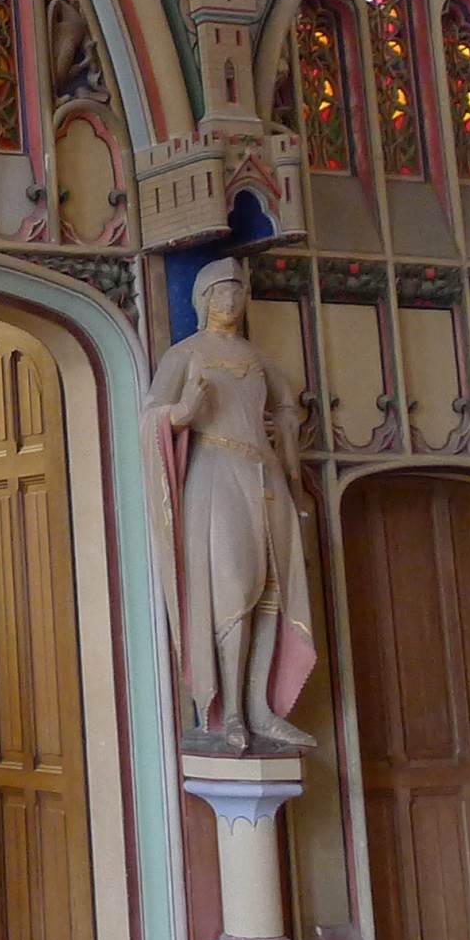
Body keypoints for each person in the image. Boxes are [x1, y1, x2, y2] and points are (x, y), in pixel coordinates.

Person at [146, 257, 317, 753]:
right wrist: (183, 412)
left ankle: (261, 709)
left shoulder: (258, 358)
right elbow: (152, 414)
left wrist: (285, 435)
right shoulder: (185, 354)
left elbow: (286, 407)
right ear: (202, 300)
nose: (231, 300)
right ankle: (230, 712)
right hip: (215, 474)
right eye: (221, 291)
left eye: (238, 291)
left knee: (271, 590)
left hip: (264, 474)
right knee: (233, 586)